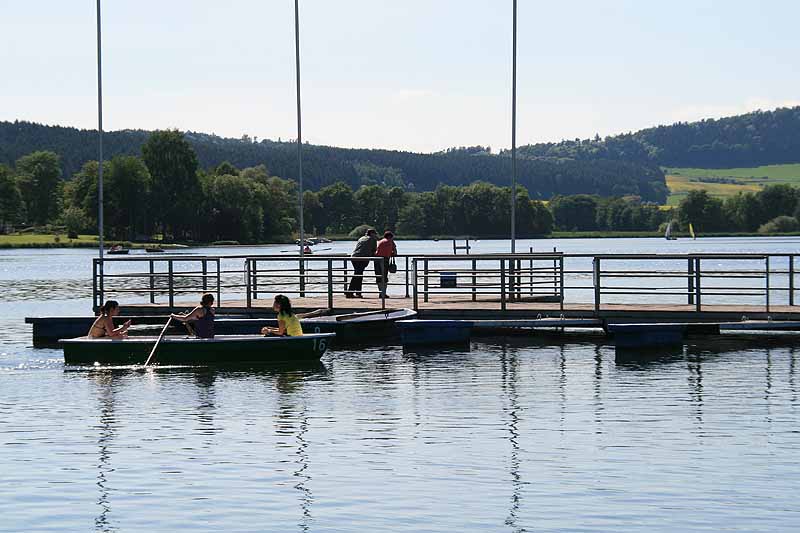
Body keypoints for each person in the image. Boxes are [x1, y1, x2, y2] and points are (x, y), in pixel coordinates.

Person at [347, 228, 378, 298]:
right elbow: (374, 251)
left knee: (358, 274)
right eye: (375, 234)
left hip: (354, 257)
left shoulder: (361, 238)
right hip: (362, 258)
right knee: (358, 275)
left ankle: (357, 292)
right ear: (372, 234)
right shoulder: (373, 239)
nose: (376, 235)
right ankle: (350, 292)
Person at [375, 230, 397, 298]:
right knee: (384, 277)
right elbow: (395, 252)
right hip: (384, 259)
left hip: (376, 259)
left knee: (379, 276)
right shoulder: (391, 241)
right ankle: (383, 293)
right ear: (391, 237)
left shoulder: (380, 241)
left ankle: (380, 292)